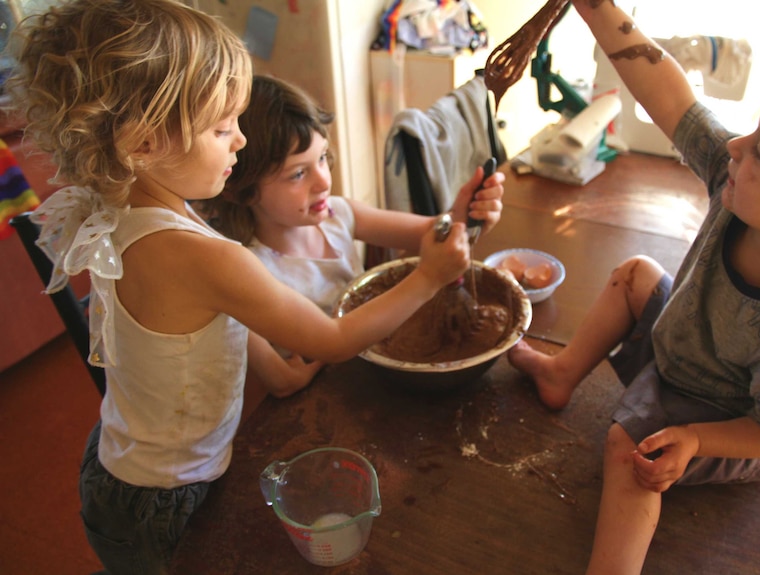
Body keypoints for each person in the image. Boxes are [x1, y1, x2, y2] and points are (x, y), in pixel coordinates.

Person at [4, 1, 473, 573]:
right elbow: (333, 339)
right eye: (222, 127)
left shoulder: (134, 202)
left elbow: (218, 316)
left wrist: (280, 375)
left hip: (122, 461)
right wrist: (430, 277)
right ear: (145, 143)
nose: (241, 142)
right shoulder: (202, 254)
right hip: (163, 497)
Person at [508, 1, 760, 573]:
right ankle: (560, 372)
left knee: (631, 454)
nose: (734, 148)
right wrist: (596, 10)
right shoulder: (739, 183)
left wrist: (696, 440)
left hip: (723, 416)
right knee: (636, 273)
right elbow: (670, 95)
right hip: (685, 340)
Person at [202, 74, 504, 381]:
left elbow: (434, 230)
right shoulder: (250, 270)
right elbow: (280, 379)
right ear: (244, 188)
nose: (322, 181)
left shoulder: (339, 215)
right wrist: (428, 276)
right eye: (297, 174)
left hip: (367, 372)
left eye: (321, 158)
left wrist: (462, 216)